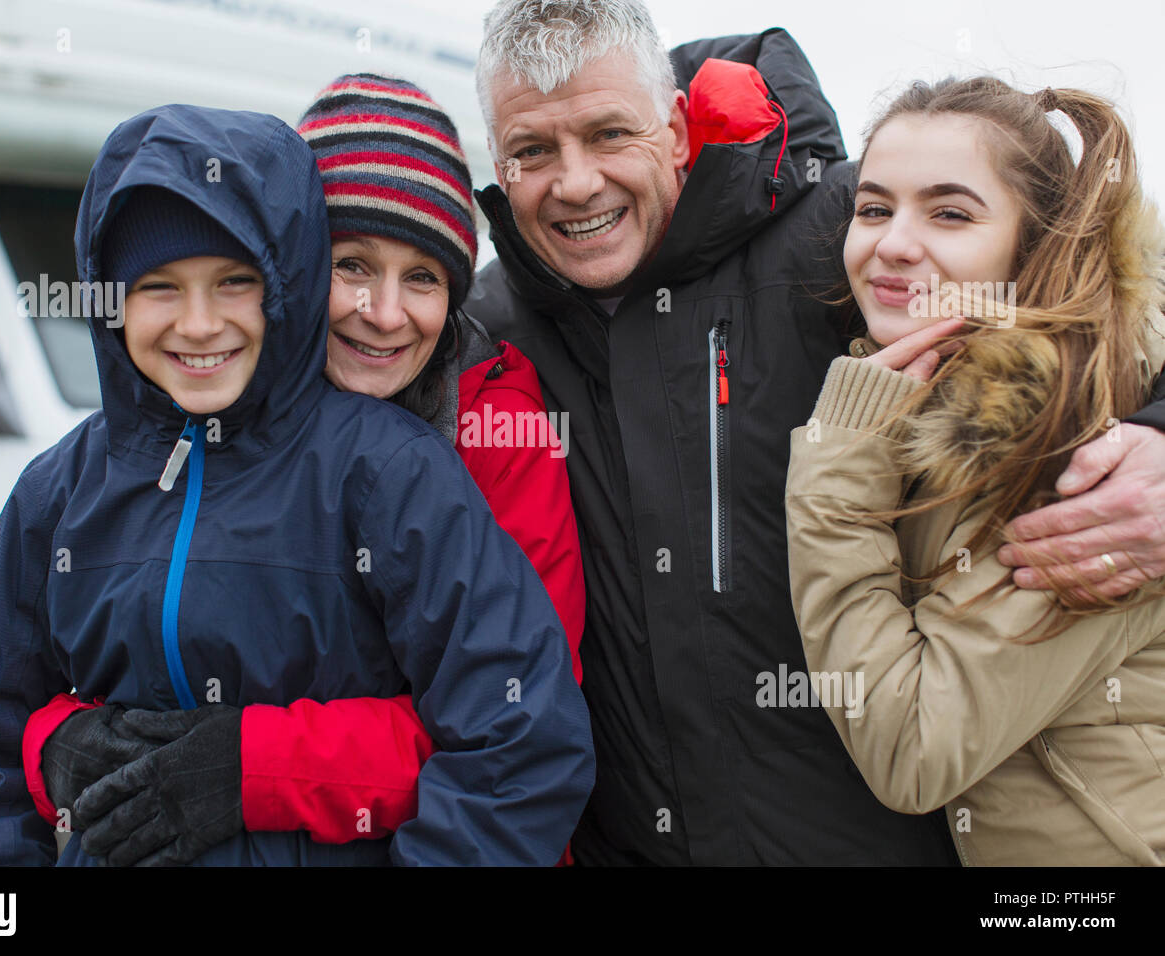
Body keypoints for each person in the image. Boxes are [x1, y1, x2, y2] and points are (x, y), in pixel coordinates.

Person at [463, 0, 1165, 864]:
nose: (574, 183)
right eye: (532, 152)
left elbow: (1087, 303)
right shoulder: (484, 330)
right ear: (496, 162)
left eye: (611, 134)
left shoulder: (843, 230)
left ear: (678, 127)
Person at [0, 103, 594, 866]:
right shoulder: (58, 489)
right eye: (159, 287)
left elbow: (519, 737)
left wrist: (247, 765)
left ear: (283, 286)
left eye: (235, 281)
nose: (200, 324)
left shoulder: (390, 470)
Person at [785, 77, 1165, 865]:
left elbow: (913, 749)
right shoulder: (939, 400)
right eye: (875, 207)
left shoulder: (1082, 449)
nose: (892, 242)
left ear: (1035, 245)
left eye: (950, 212)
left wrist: (835, 471)